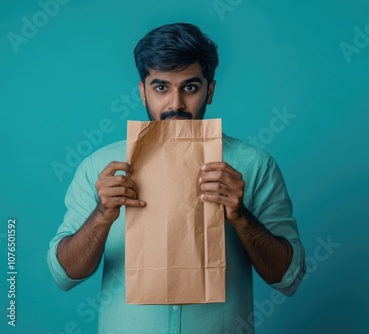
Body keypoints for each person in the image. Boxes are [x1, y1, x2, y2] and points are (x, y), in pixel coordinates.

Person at [47, 22, 306, 334]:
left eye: (190, 88)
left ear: (209, 91)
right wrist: (102, 215)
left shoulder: (253, 165)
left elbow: (288, 278)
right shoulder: (101, 167)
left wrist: (240, 216)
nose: (175, 105)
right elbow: (64, 275)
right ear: (142, 92)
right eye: (161, 88)